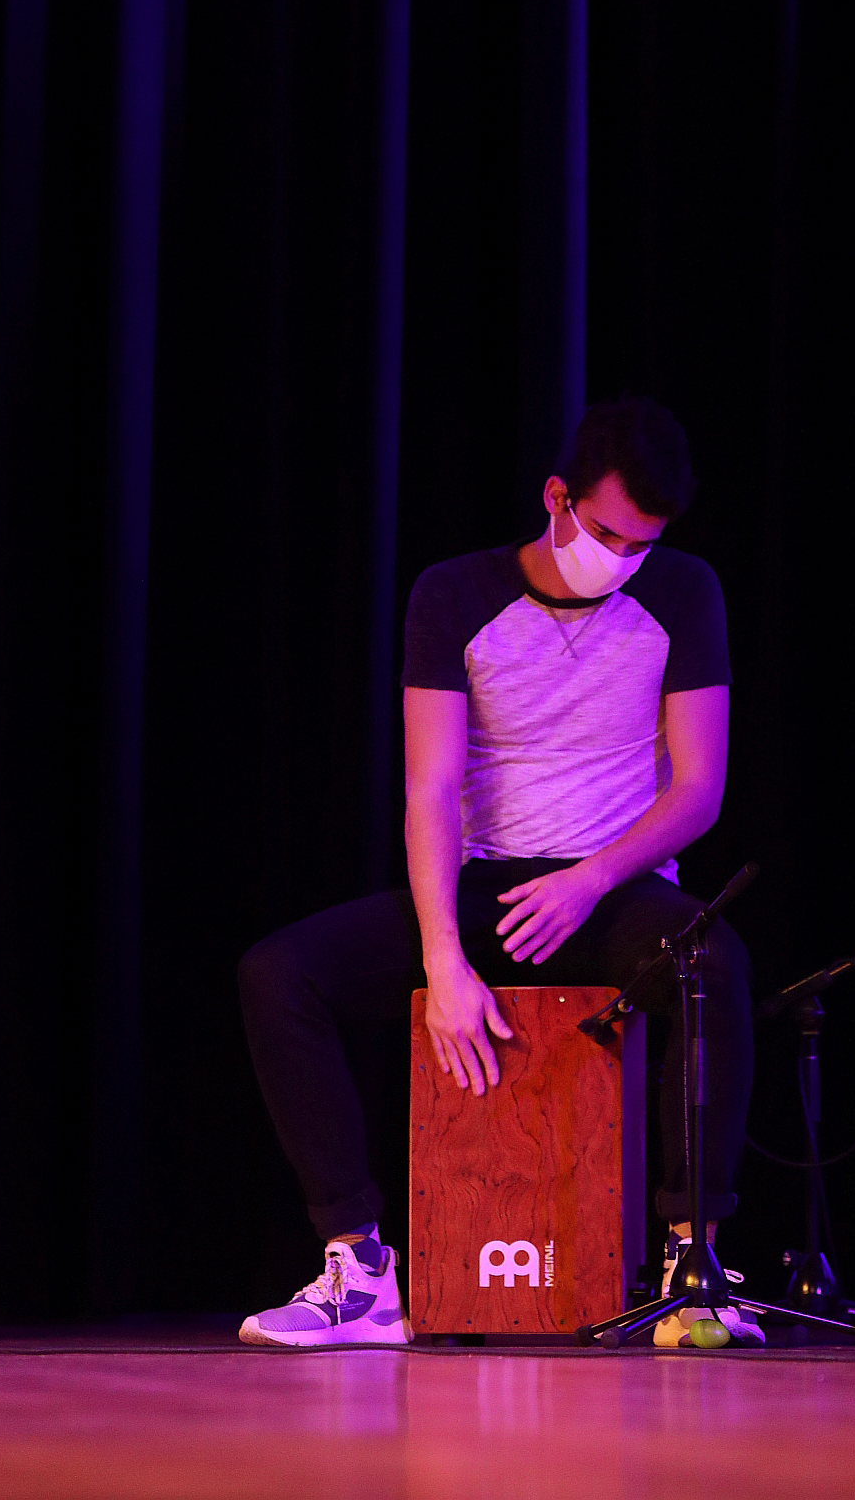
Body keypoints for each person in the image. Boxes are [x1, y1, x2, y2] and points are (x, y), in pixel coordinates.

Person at [236, 397, 758, 1347]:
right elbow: (431, 788)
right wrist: (443, 958)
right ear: (556, 498)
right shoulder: (454, 593)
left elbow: (698, 788)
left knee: (710, 962)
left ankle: (694, 1269)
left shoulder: (684, 591)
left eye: (642, 543)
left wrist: (588, 879)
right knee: (281, 975)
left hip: (612, 888)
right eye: (605, 534)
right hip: (483, 886)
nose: (622, 558)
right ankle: (359, 1270)